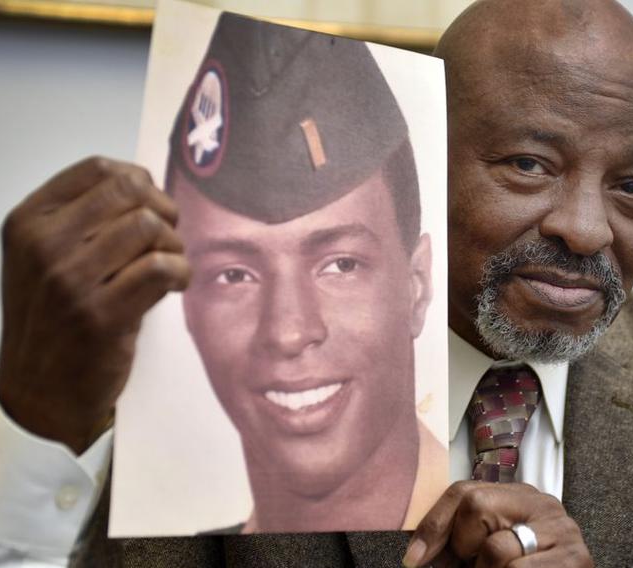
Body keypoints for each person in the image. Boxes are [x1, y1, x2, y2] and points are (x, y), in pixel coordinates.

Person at [0, 0, 633, 566]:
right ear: (424, 157)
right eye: (527, 164)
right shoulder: (230, 387)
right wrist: (34, 420)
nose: (587, 228)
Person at [155, 13, 444, 534]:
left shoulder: (504, 510)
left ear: (417, 286)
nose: (288, 331)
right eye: (234, 275)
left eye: (340, 265)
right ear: (187, 306)